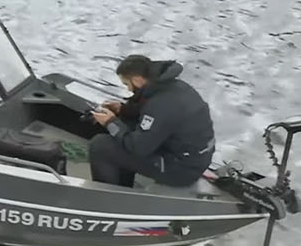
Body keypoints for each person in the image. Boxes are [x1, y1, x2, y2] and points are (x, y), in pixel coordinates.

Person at [88, 55, 217, 188]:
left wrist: (110, 122)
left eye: (127, 84)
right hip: (191, 158)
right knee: (125, 128)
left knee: (100, 146)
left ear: (137, 80)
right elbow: (150, 110)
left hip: (181, 170)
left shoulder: (162, 104)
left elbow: (137, 148)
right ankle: (123, 188)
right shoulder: (171, 87)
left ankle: (108, 199)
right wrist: (123, 109)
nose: (128, 89)